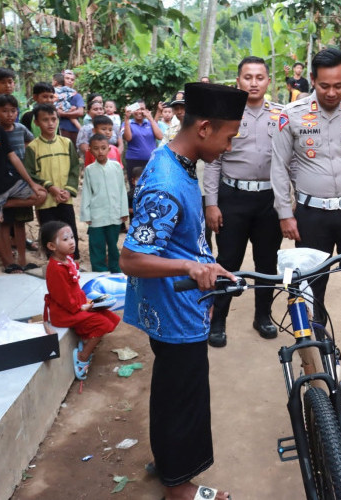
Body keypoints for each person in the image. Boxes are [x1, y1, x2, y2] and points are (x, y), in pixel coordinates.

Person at [120, 82, 245, 500]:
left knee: (171, 391)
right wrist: (191, 266)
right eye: (229, 136)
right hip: (175, 310)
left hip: (182, 301)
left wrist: (205, 263)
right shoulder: (166, 183)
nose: (230, 146)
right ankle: (180, 487)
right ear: (205, 128)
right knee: (184, 397)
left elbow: (182, 237)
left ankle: (168, 460)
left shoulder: (180, 160)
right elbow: (132, 258)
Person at [271, 48, 341, 367]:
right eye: (324, 86)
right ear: (312, 80)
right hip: (311, 215)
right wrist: (284, 212)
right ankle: (319, 340)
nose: (332, 92)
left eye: (338, 85)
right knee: (310, 285)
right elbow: (279, 167)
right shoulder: (291, 114)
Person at [203, 56, 284, 347]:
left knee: (267, 261)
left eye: (259, 77)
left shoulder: (280, 115)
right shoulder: (225, 115)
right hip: (232, 199)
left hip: (269, 200)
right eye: (247, 77)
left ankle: (263, 316)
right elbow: (212, 162)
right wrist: (211, 203)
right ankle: (218, 320)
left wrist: (289, 203)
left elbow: (290, 161)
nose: (253, 82)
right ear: (238, 81)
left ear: (267, 81)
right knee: (228, 261)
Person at [41, 221, 120, 380]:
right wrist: (84, 307)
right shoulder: (55, 269)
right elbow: (64, 298)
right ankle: (83, 356)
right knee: (102, 324)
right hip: (65, 312)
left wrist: (90, 302)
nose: (72, 241)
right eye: (65, 239)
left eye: (72, 237)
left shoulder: (67, 260)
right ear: (51, 246)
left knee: (110, 316)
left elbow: (74, 290)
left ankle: (86, 339)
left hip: (77, 306)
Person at [0, 91, 46, 274]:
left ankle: (2, 206)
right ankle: (9, 263)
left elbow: (14, 158)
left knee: (40, 194)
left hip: (9, 183)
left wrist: (32, 183)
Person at [24, 103, 81, 260]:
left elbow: (75, 168)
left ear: (58, 120)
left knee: (69, 230)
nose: (50, 123)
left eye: (53, 119)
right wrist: (50, 187)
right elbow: (30, 173)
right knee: (50, 232)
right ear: (36, 122)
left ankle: (72, 262)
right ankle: (53, 263)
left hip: (65, 197)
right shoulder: (33, 147)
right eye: (45, 120)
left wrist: (68, 190)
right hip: (46, 200)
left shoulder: (66, 143)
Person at [0, 94, 37, 270]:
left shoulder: (20, 128)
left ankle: (21, 257)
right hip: (2, 180)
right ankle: (9, 258)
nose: (9, 114)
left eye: (13, 111)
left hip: (21, 179)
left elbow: (32, 142)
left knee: (20, 223)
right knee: (4, 224)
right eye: (4, 111)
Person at [81, 134, 128, 273]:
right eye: (96, 148)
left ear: (109, 149)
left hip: (114, 212)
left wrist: (124, 211)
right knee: (96, 244)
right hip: (96, 214)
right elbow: (87, 193)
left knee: (113, 245)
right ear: (90, 150)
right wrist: (86, 214)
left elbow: (122, 190)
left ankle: (115, 269)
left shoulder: (116, 167)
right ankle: (99, 269)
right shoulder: (89, 170)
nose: (100, 152)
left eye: (103, 148)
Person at [122, 100, 163, 189]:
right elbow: (128, 138)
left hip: (151, 161)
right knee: (135, 187)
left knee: (151, 186)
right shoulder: (128, 123)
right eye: (137, 109)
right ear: (132, 110)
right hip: (134, 161)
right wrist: (126, 118)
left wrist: (150, 118)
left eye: (142, 109)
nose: (139, 111)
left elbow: (160, 136)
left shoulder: (150, 123)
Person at [55, 70, 84, 143]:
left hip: (74, 131)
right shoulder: (56, 92)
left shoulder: (77, 95)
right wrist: (72, 112)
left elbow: (80, 112)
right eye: (67, 78)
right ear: (62, 79)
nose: (70, 81)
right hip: (59, 129)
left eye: (72, 79)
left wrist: (63, 114)